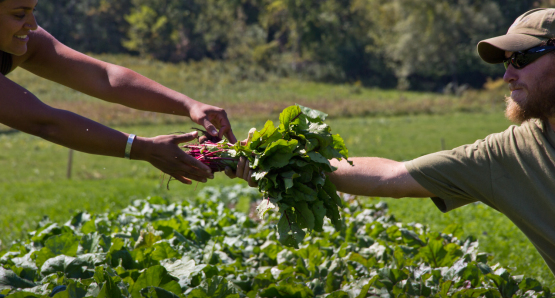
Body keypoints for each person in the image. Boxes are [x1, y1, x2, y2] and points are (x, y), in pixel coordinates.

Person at [230, 8, 555, 275]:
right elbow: (392, 176)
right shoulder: (511, 152)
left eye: (521, 59)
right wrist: (290, 160)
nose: (507, 76)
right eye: (506, 62)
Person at [0, 0, 237, 185]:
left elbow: (103, 77)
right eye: (19, 14)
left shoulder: (27, 40)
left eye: (33, 11)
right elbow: (44, 122)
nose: (32, 24)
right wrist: (143, 149)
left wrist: (189, 105)